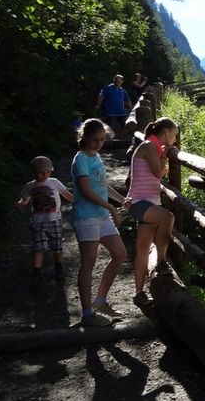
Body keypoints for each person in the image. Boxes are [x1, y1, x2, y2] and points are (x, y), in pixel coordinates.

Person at [71, 118, 127, 327]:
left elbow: (101, 185)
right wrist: (111, 207)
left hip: (101, 214)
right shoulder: (80, 160)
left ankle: (100, 301)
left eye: (102, 139)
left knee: (120, 254)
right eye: (95, 140)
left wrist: (121, 200)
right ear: (84, 137)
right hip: (86, 216)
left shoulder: (96, 157)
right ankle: (87, 314)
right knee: (89, 262)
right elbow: (85, 191)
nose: (98, 144)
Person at [124, 117, 178, 307]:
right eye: (174, 135)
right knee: (168, 217)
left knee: (142, 249)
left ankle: (138, 293)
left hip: (148, 203)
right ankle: (162, 261)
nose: (175, 139)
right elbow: (158, 172)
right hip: (140, 203)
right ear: (165, 133)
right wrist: (165, 155)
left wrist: (163, 153)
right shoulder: (148, 146)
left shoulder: (153, 147)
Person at [16, 156, 74, 286]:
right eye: (41, 172)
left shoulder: (54, 182)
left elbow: (67, 195)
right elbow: (25, 199)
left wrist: (78, 200)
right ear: (34, 172)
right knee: (39, 247)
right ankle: (37, 271)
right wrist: (21, 203)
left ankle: (58, 265)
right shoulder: (30, 186)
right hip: (38, 222)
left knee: (57, 245)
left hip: (55, 220)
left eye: (48, 172)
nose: (45, 175)